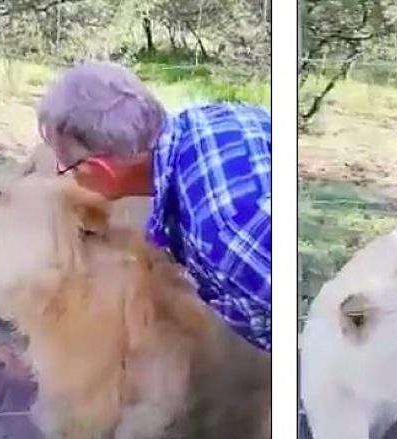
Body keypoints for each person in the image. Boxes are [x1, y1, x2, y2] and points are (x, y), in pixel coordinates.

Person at [36, 61, 272, 352]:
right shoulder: (215, 117)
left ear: (102, 169)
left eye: (67, 165)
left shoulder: (223, 231)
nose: (66, 173)